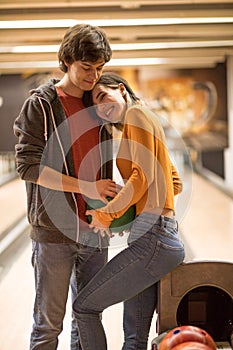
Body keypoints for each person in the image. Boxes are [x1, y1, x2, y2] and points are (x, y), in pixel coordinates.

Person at [13, 24, 117, 350]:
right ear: (68, 60)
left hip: (95, 230)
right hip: (54, 233)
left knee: (86, 320)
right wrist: (87, 186)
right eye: (87, 68)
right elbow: (28, 167)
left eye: (99, 68)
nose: (93, 75)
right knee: (48, 326)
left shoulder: (98, 100)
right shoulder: (40, 106)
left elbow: (136, 113)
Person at [73, 72, 185, 350]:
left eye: (103, 96)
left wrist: (108, 214)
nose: (101, 107)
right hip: (157, 233)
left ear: (120, 89)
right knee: (134, 339)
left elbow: (142, 175)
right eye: (95, 106)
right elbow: (175, 180)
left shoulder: (135, 115)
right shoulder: (147, 119)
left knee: (84, 308)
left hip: (152, 238)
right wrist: (142, 207)